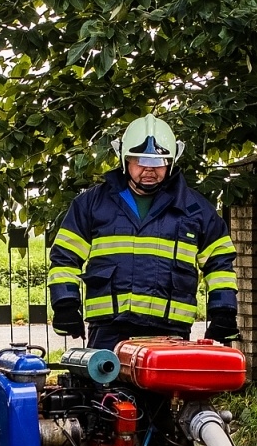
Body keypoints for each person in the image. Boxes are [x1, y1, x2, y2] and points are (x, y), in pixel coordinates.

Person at [47, 114, 239, 352]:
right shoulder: (92, 204)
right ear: (124, 159)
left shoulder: (196, 210)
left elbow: (219, 264)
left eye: (158, 162)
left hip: (170, 332)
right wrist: (65, 305)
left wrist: (223, 311)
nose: (149, 169)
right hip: (109, 329)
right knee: (104, 379)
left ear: (171, 162)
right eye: (140, 160)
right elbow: (65, 258)